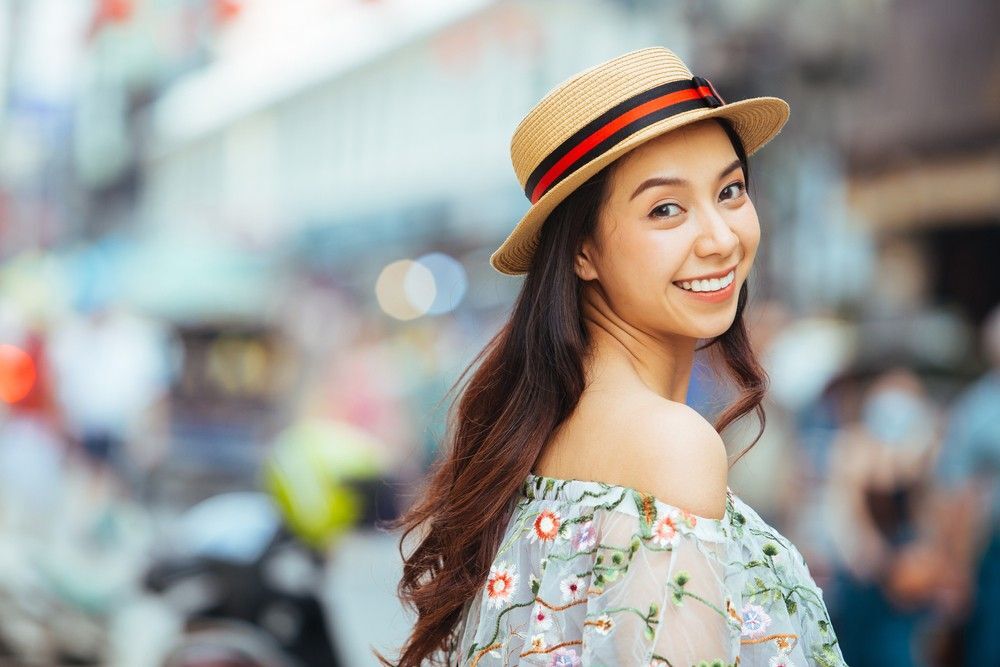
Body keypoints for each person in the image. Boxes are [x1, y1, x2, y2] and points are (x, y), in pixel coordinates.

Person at [374, 47, 847, 666]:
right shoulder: (667, 446)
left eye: (730, 190)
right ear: (582, 252)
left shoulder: (544, 441)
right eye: (666, 209)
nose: (721, 237)